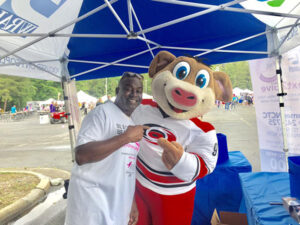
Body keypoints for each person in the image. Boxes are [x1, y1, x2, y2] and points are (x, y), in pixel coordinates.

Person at [65, 72, 145, 225]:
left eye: (138, 90)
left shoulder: (132, 121)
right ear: (117, 91)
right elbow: (81, 156)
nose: (134, 94)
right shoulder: (101, 114)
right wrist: (126, 137)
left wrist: (131, 202)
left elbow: (126, 167)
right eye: (128, 89)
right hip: (92, 208)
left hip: (117, 206)